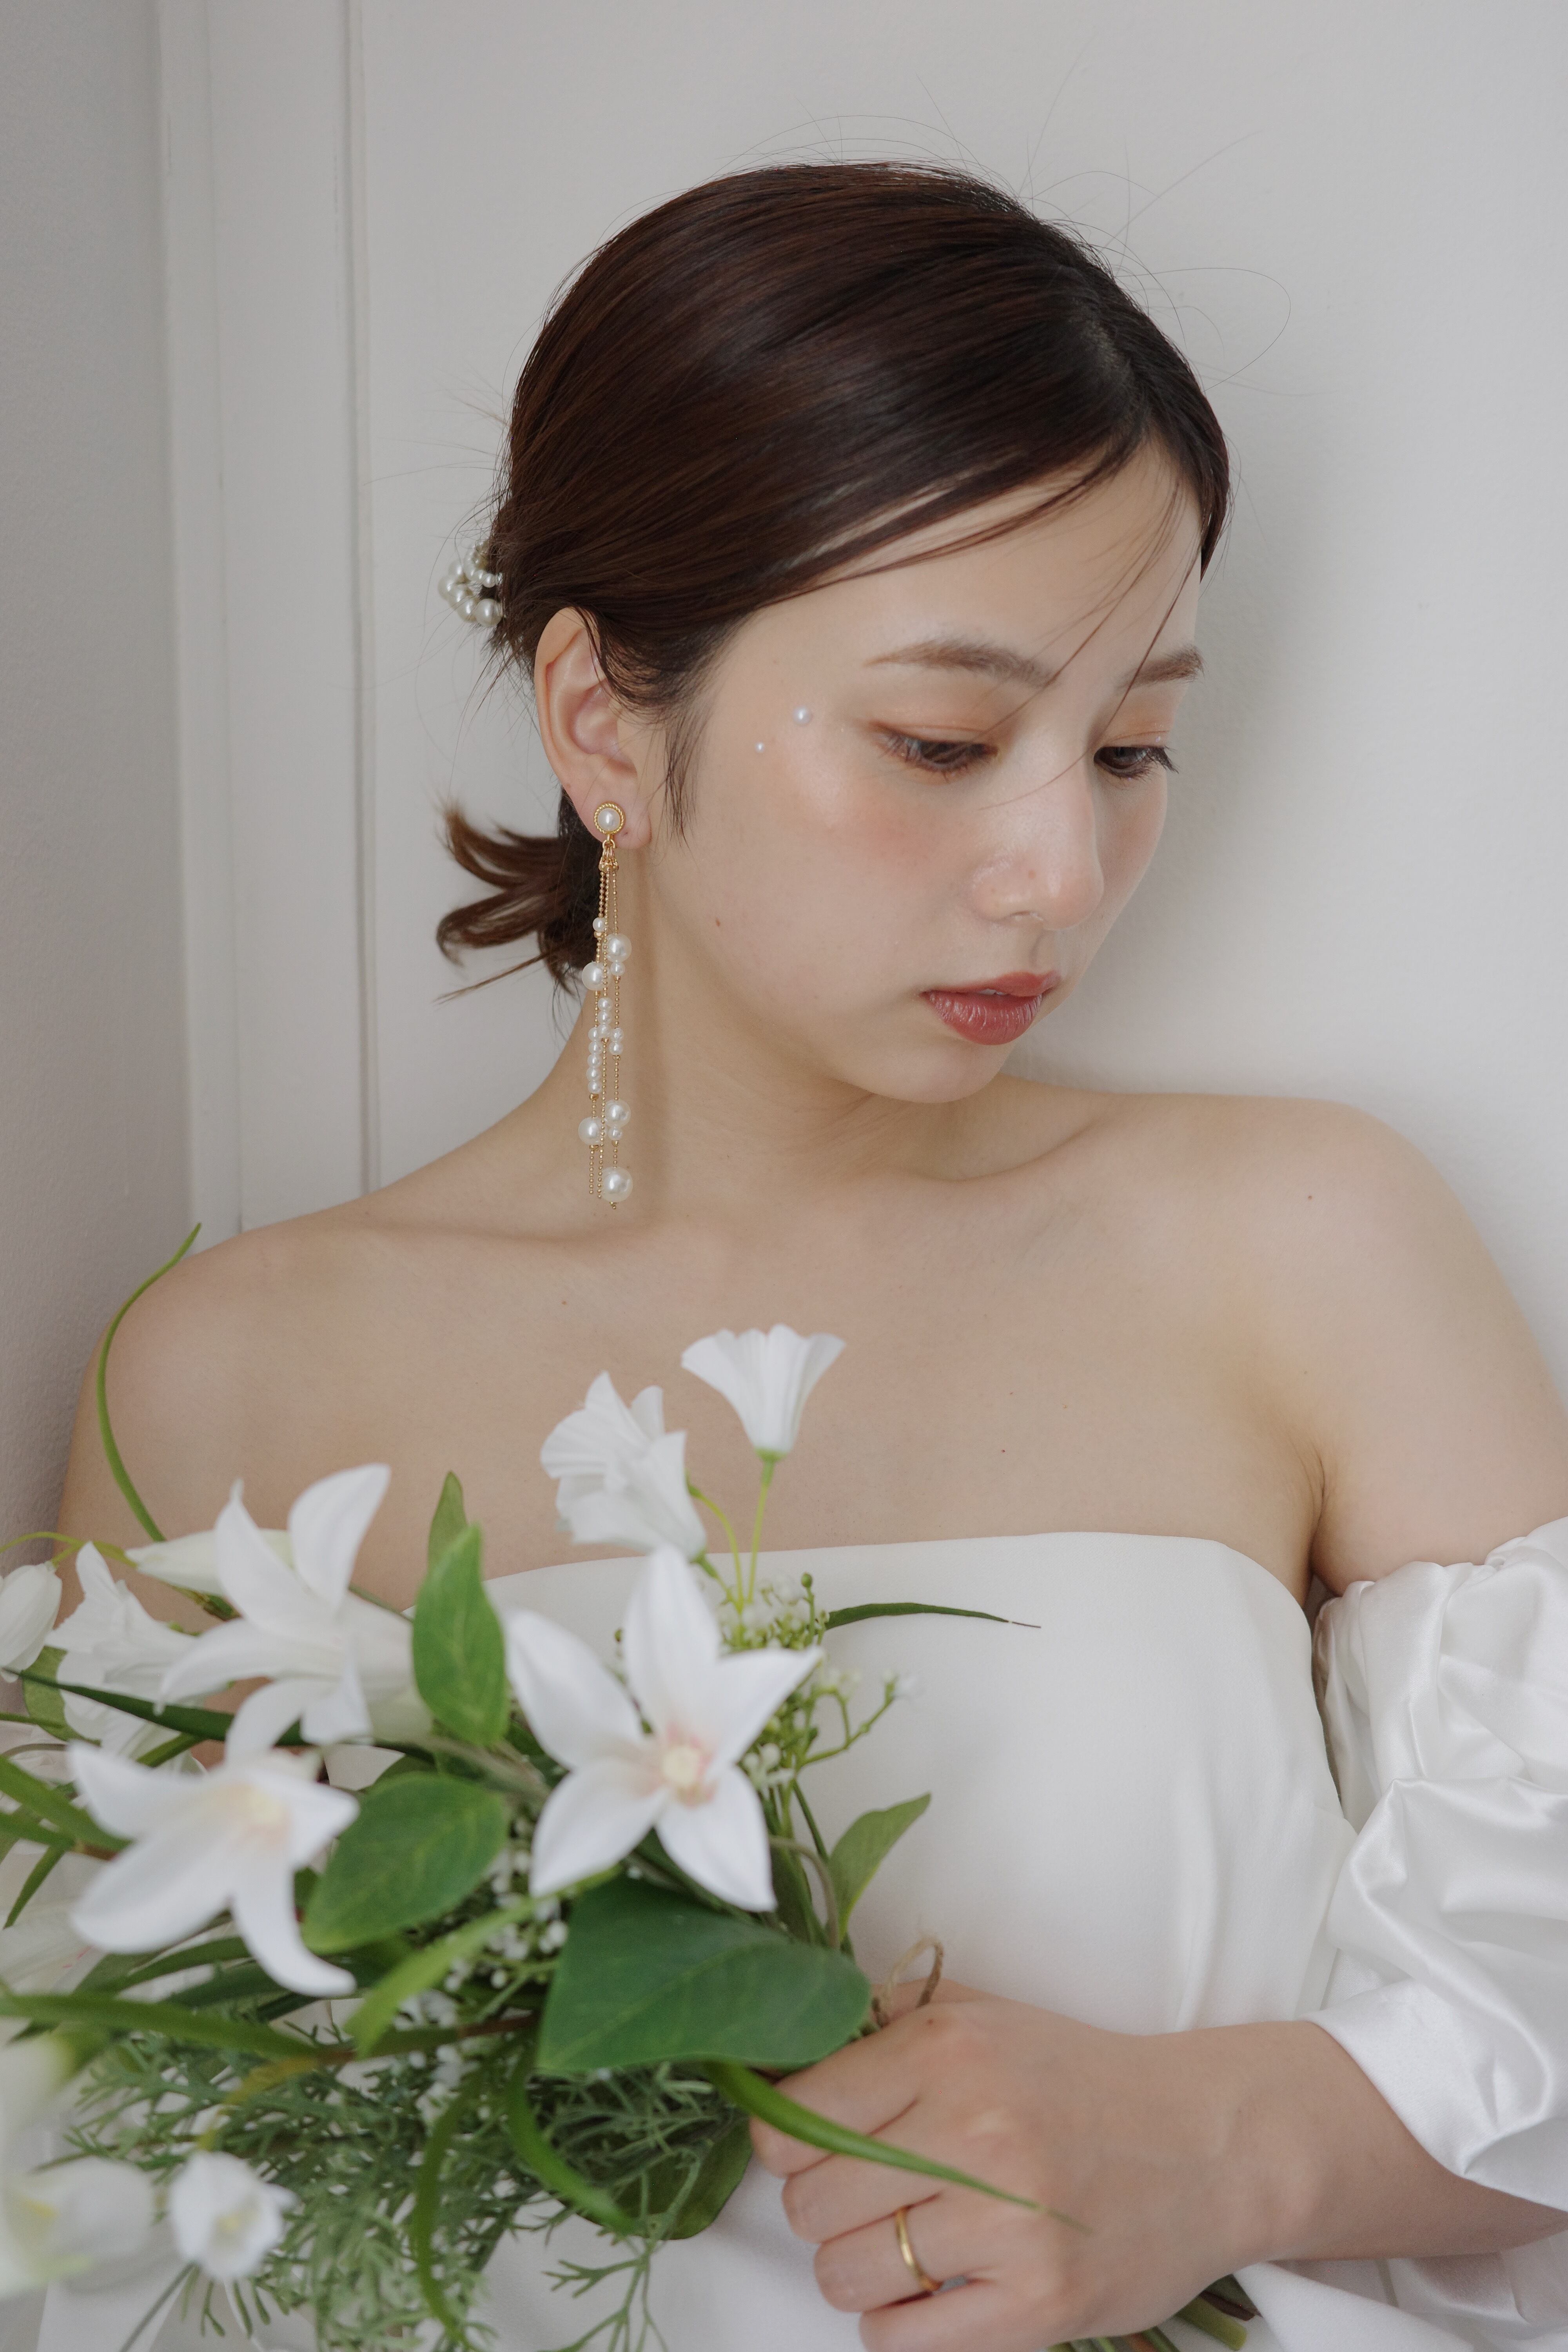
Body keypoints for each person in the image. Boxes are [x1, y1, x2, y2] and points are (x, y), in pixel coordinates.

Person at [60, 163, 1568, 2351]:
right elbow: (130, 2192)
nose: (1061, 869)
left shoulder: (1301, 1244)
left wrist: (1223, 2146)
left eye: (1133, 743)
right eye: (941, 744)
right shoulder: (233, 1379)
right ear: (603, 720)